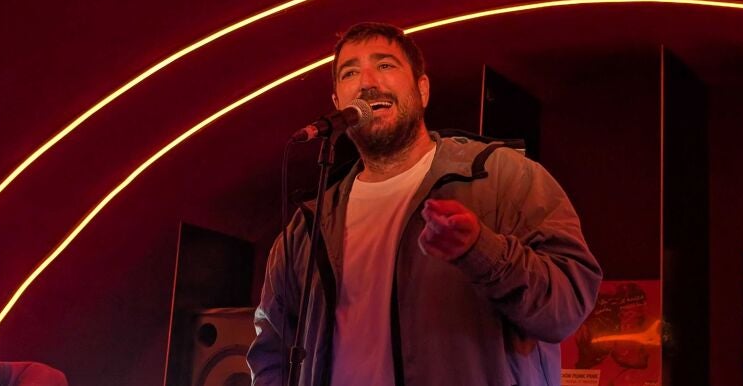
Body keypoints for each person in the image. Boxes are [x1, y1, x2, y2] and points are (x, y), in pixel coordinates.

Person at [247, 22, 602, 386]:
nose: (367, 82)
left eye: (385, 65)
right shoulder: (307, 227)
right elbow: (271, 353)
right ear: (338, 103)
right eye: (350, 73)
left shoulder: (502, 176)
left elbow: (567, 305)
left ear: (422, 90)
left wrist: (482, 250)